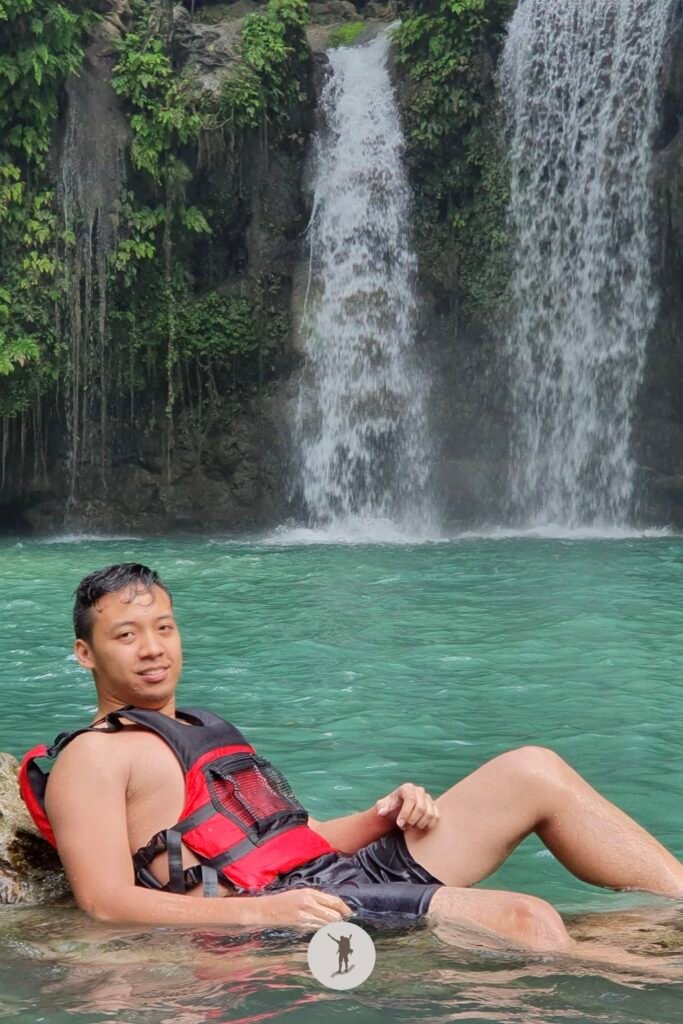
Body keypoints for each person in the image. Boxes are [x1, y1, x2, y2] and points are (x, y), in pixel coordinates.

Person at [20, 563, 683, 954]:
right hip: (286, 907)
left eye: (163, 627)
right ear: (87, 654)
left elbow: (285, 842)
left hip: (330, 869)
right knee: (525, 919)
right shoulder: (94, 759)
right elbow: (104, 902)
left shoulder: (200, 727)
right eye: (126, 635)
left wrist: (381, 814)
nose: (152, 648)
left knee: (530, 769)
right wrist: (262, 914)